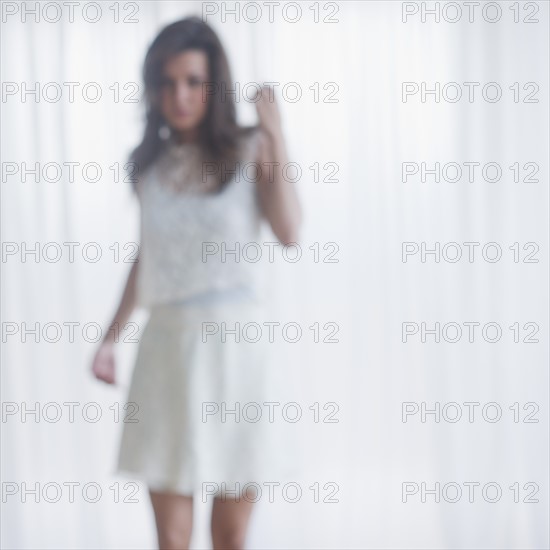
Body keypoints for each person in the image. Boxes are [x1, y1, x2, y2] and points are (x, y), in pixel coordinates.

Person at [90, 16, 302, 550]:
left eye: (192, 81)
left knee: (229, 534)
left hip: (239, 355)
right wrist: (110, 337)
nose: (179, 95)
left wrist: (276, 135)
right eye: (166, 82)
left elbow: (290, 231)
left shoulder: (252, 149)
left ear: (214, 85)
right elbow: (147, 259)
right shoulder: (147, 167)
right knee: (173, 536)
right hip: (167, 351)